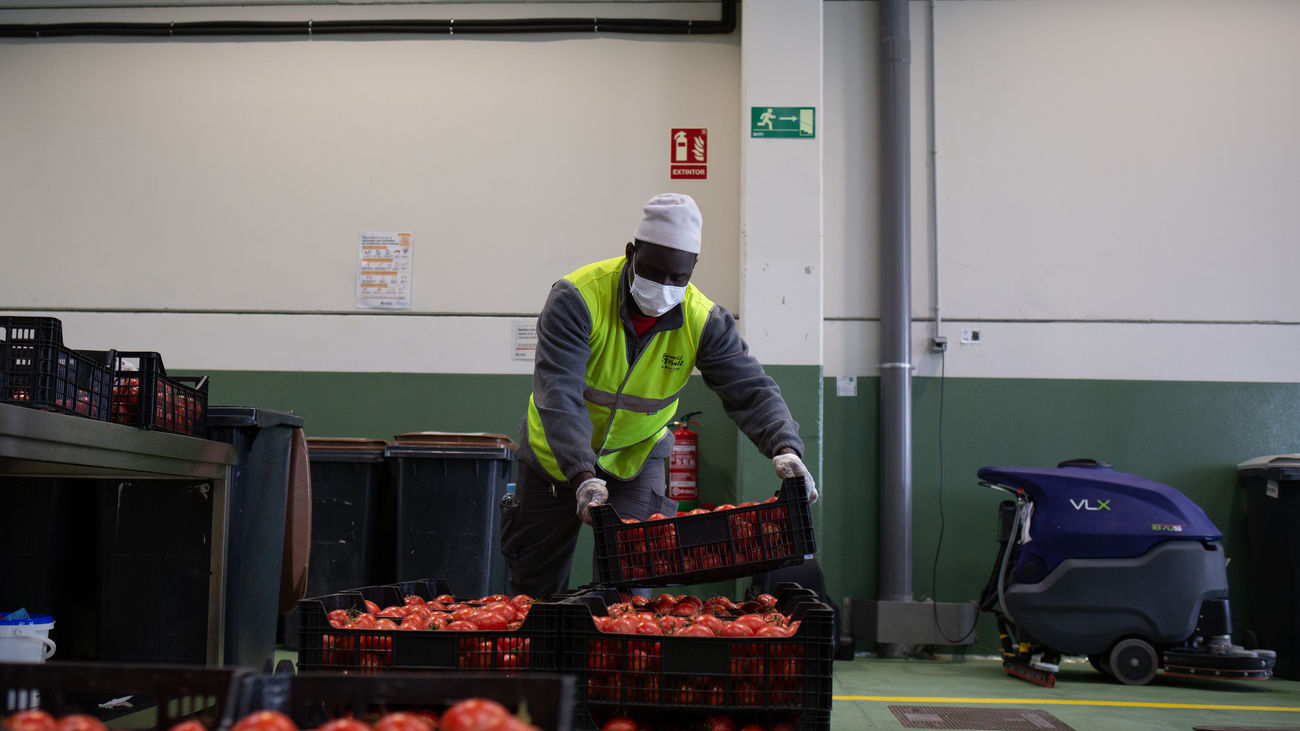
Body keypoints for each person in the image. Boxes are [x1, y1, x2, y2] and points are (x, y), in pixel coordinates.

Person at [500, 192, 818, 598]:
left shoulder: (704, 321)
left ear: (693, 269)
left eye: (677, 278)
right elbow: (559, 395)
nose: (663, 288)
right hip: (554, 463)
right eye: (652, 271)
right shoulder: (577, 298)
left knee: (631, 589)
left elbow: (751, 389)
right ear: (631, 252)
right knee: (535, 589)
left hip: (636, 458)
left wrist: (786, 448)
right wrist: (582, 475)